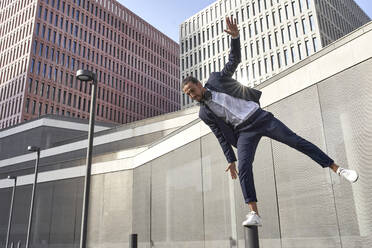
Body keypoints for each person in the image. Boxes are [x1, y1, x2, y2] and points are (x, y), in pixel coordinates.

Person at [182, 16, 359, 227]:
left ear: (199, 85)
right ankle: (254, 214)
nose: (191, 95)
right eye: (188, 94)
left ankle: (337, 168)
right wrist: (231, 159)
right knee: (245, 168)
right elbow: (220, 136)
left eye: (192, 90)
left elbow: (233, 61)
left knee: (295, 141)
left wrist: (236, 38)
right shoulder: (204, 114)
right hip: (243, 132)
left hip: (260, 118)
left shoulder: (215, 79)